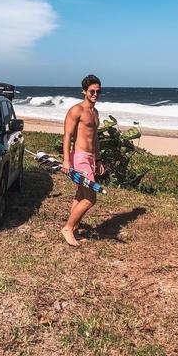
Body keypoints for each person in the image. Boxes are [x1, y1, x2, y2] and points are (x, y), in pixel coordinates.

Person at [61, 74, 105, 247]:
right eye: (92, 91)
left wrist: (99, 159)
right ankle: (68, 228)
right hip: (79, 157)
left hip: (91, 158)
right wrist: (66, 160)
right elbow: (67, 136)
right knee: (91, 198)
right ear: (84, 91)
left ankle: (75, 230)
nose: (95, 94)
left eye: (98, 91)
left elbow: (95, 139)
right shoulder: (76, 110)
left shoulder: (95, 113)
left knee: (81, 194)